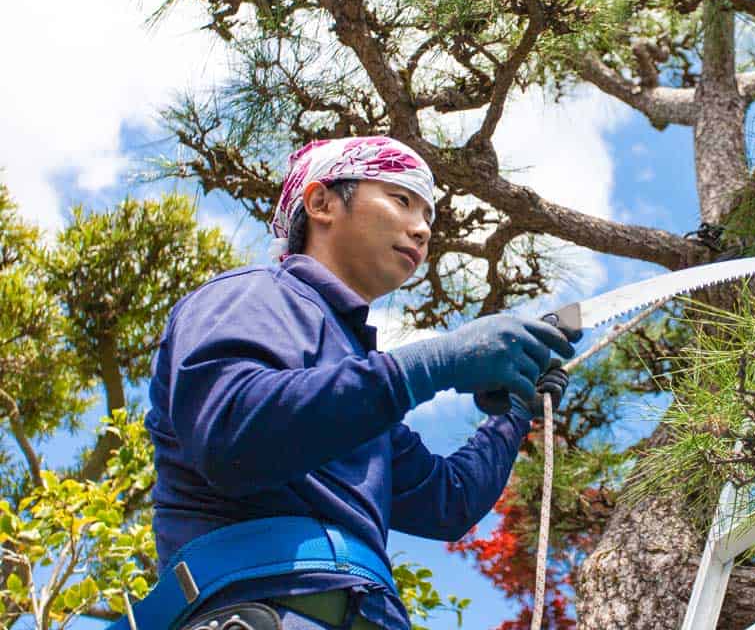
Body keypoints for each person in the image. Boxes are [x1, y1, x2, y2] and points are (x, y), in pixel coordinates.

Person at [119, 137, 577, 630]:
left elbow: (448, 502)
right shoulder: (251, 294)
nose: (423, 229)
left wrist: (515, 411)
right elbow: (232, 433)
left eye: (429, 216)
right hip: (260, 610)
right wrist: (437, 363)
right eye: (402, 199)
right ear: (321, 202)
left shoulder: (361, 393)